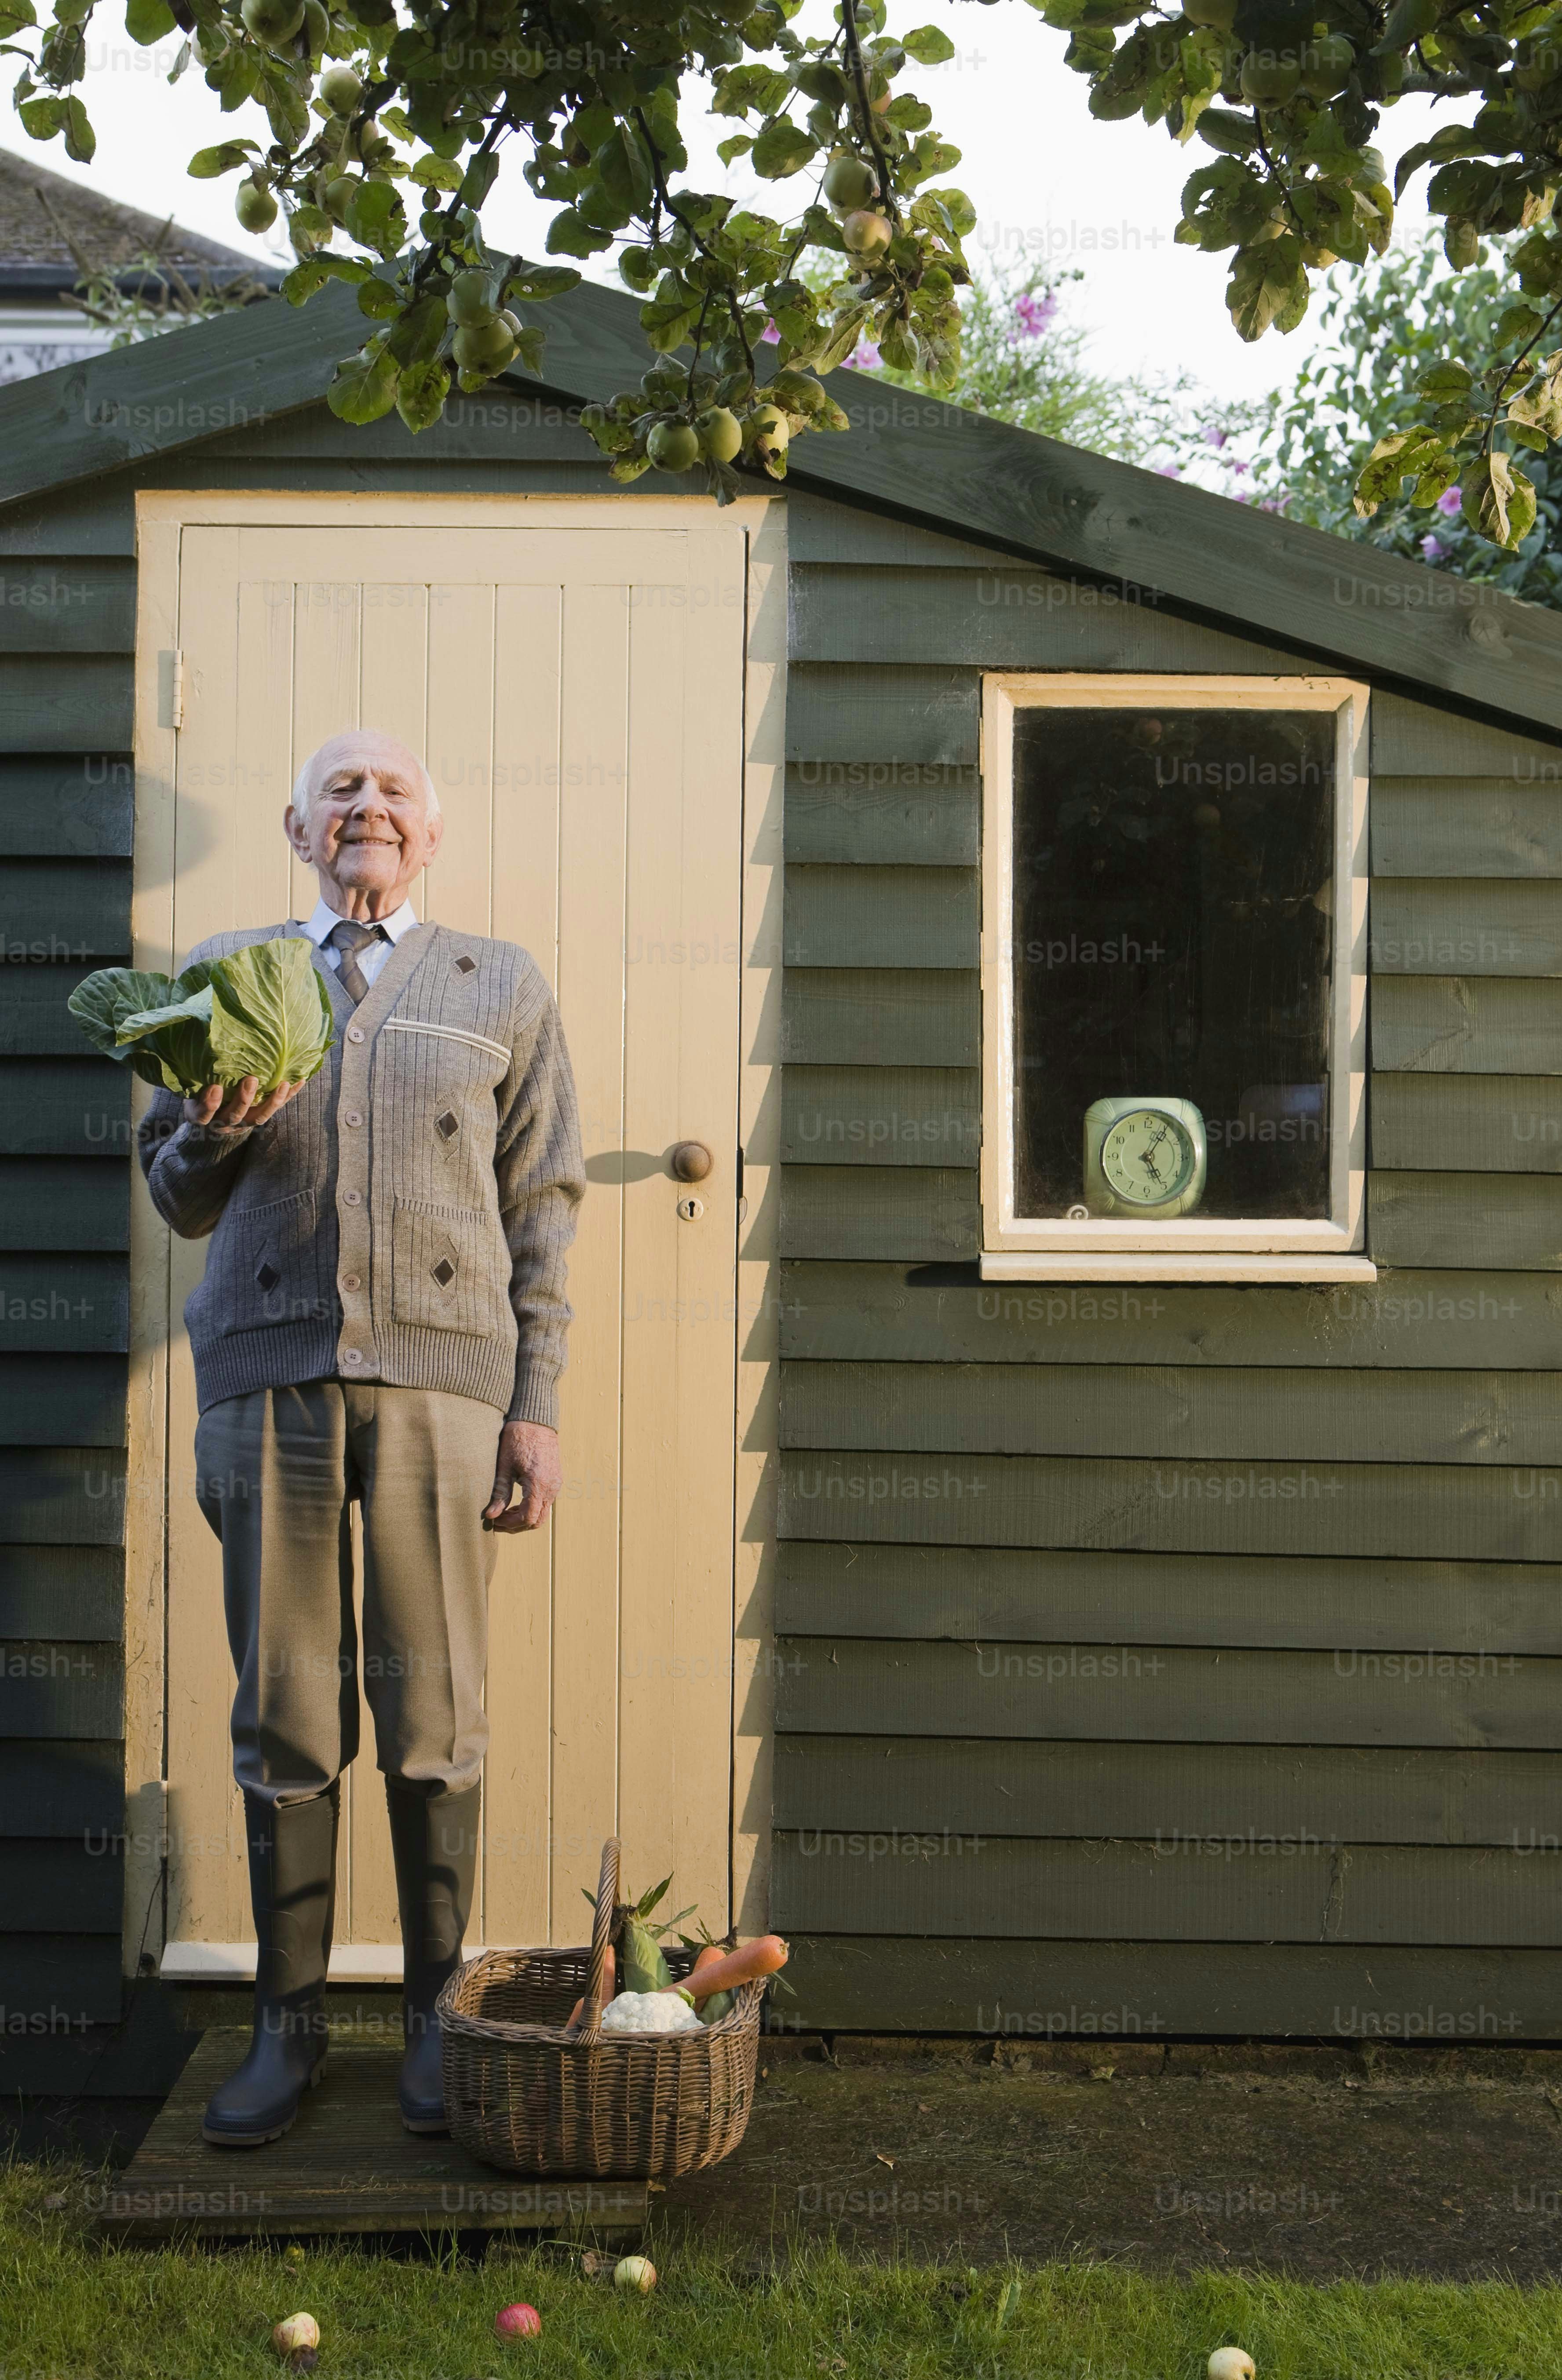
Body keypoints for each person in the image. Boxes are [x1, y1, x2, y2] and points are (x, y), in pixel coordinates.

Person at [136, 728, 584, 2146]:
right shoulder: (226, 974)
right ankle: (287, 2027)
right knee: (287, 1709)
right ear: (296, 826)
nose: (367, 808)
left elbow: (544, 1209)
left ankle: (440, 2023)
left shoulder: (496, 982)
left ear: (431, 836)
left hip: (447, 1393)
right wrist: (213, 1130)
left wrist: (538, 1405)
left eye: (394, 791)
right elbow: (175, 1191)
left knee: (434, 1709)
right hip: (265, 1385)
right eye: (342, 789)